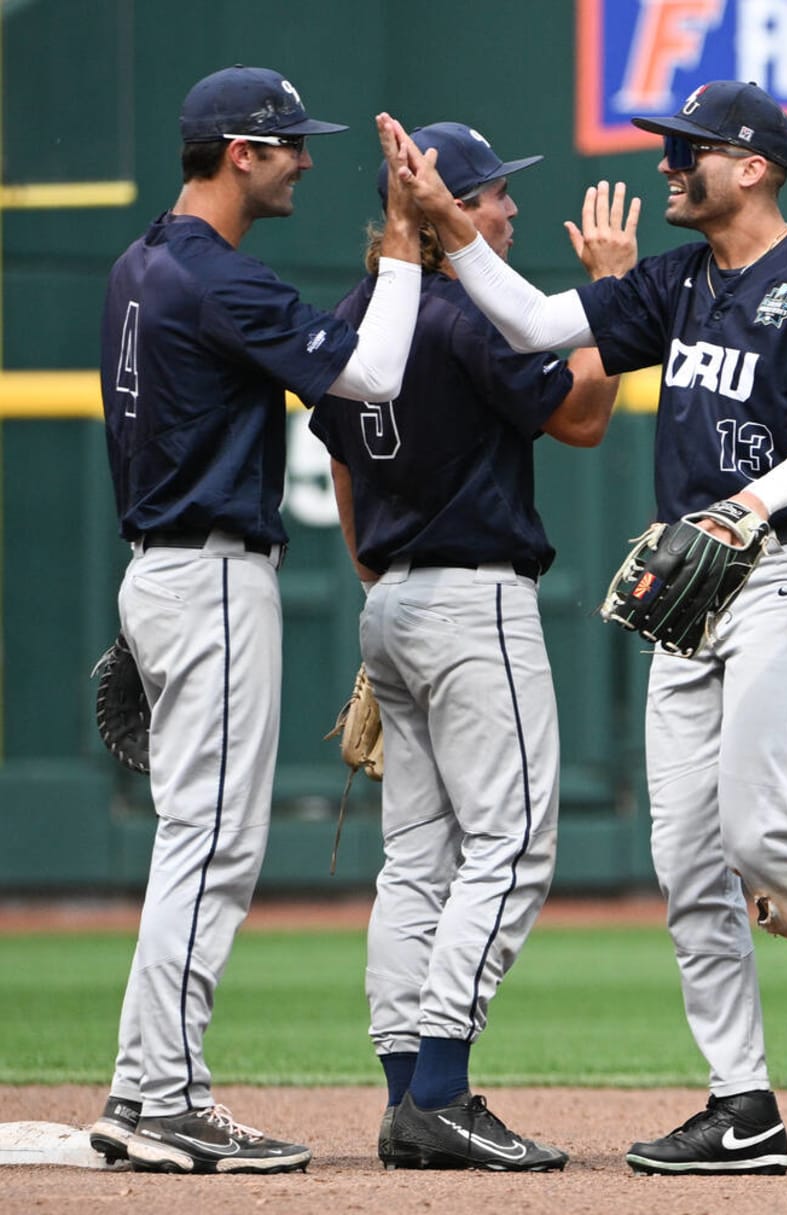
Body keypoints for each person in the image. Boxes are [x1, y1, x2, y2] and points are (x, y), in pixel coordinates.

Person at [392, 79, 787, 1174]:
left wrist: (750, 504)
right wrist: (451, 230)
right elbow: (542, 325)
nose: (668, 166)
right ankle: (743, 1103)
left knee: (756, 829)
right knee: (684, 857)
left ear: (755, 167)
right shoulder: (682, 281)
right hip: (693, 597)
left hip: (783, 569)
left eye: (691, 151)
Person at [89, 66, 426, 1174]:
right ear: (240, 153)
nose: (306, 159)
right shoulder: (219, 280)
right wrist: (414, 245)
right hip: (210, 578)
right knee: (216, 843)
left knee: (199, 837)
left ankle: (144, 1089)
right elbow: (372, 377)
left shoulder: (142, 261)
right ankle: (168, 1097)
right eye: (288, 144)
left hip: (162, 572)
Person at [312, 121, 630, 1171]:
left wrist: (383, 584)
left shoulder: (364, 310)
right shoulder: (459, 313)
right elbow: (582, 417)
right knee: (512, 846)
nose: (508, 210)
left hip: (394, 599)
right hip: (472, 602)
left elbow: (345, 474)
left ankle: (408, 1098)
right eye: (494, 195)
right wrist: (612, 306)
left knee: (416, 860)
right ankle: (442, 1091)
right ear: (449, 209)